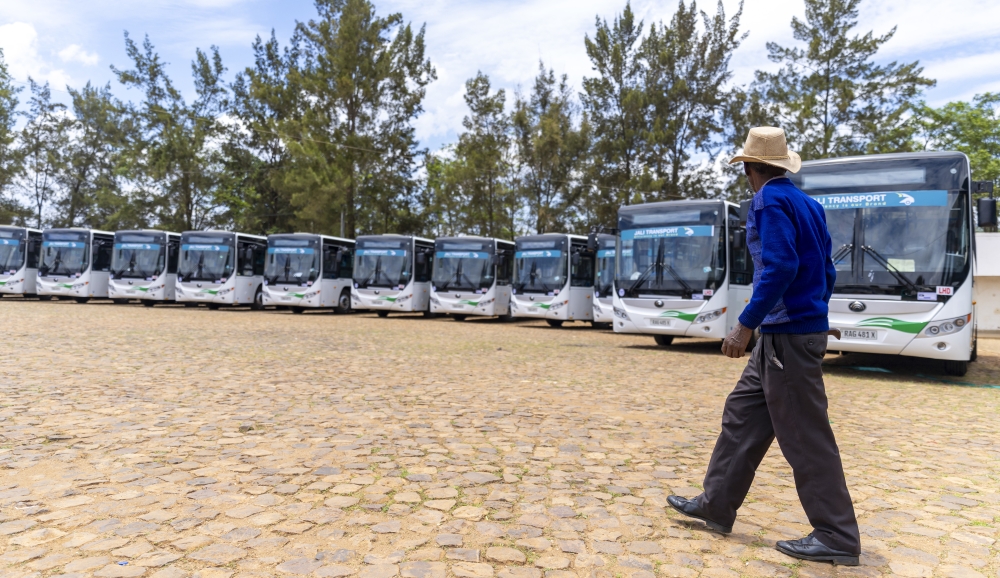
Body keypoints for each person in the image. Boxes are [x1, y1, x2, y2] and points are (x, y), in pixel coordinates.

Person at [666, 127, 861, 565]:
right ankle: (716, 504)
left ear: (751, 169)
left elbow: (780, 266)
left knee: (805, 435)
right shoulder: (809, 204)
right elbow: (826, 272)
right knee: (742, 414)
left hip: (785, 335)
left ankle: (836, 535)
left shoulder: (767, 201)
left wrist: (744, 326)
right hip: (787, 333)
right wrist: (814, 315)